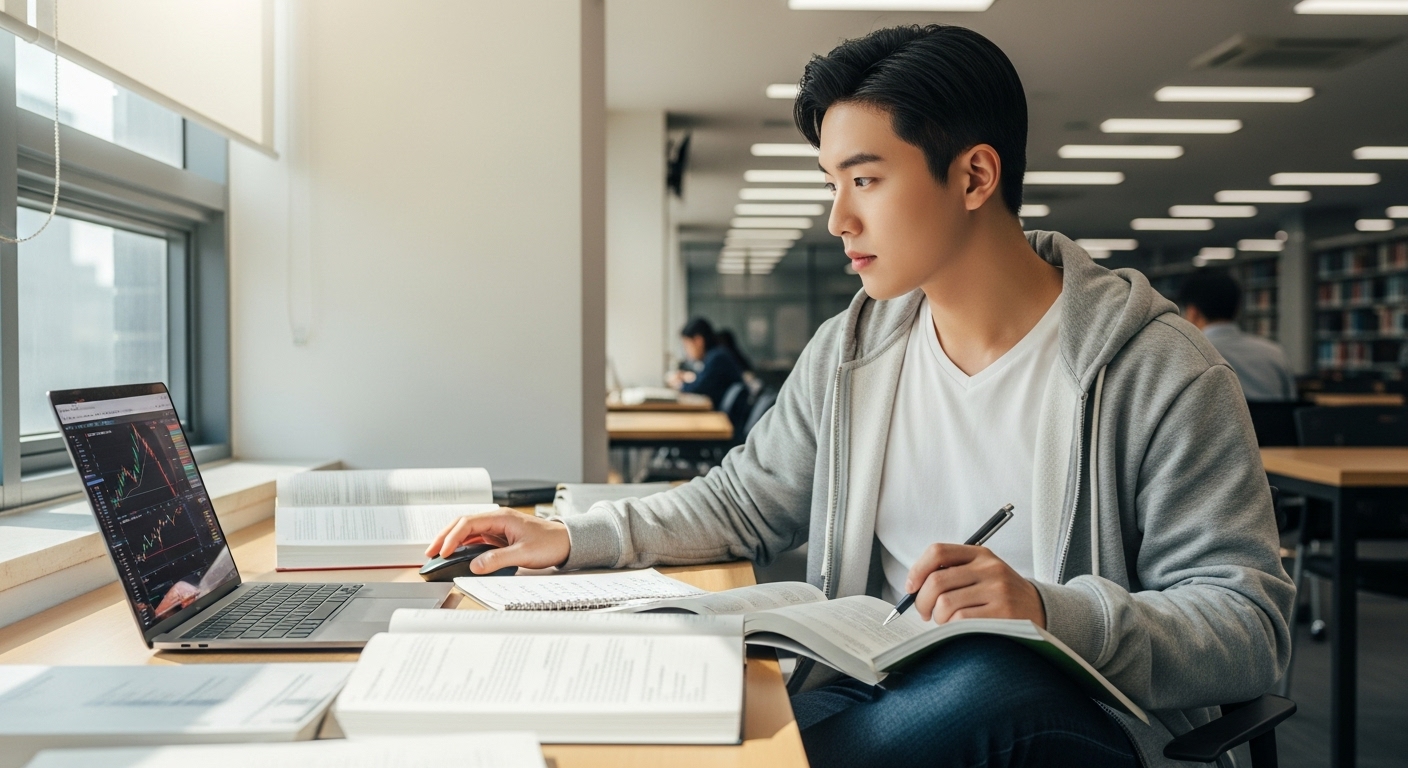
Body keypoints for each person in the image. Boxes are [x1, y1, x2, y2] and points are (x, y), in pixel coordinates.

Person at [429, 24, 1292, 768]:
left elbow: (1249, 625)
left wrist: (1044, 611)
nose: (839, 218)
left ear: (974, 176)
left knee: (993, 675)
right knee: (705, 705)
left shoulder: (1159, 368)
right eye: (831, 184)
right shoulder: (854, 347)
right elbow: (743, 501)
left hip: (1080, 717)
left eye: (865, 179)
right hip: (882, 685)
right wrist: (573, 538)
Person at [1179, 270, 1297, 401]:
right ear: (1238, 308)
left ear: (1192, 312)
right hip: (1274, 422)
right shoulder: (1275, 353)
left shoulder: (1188, 354)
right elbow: (1291, 408)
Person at [666, 317, 745, 408]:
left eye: (687, 345)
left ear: (698, 341)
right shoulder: (716, 355)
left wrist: (678, 384)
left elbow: (697, 389)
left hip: (725, 418)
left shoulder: (717, 358)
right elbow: (702, 380)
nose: (686, 351)